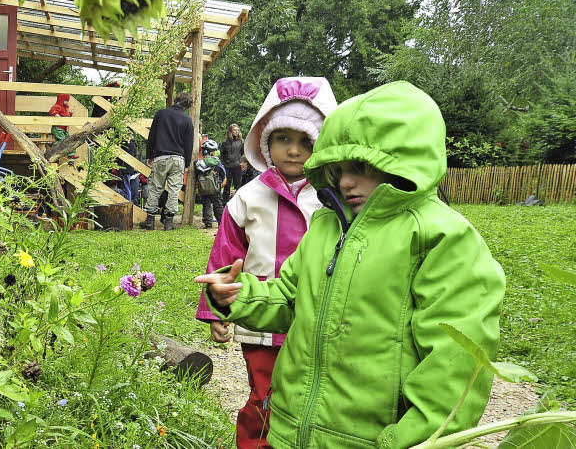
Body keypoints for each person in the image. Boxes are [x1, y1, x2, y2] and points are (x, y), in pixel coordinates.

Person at [196, 81, 505, 449]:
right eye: (338, 167)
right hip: (292, 433)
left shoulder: (442, 238)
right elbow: (289, 298)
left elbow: (456, 361)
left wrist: (408, 439)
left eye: (360, 165)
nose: (344, 181)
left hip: (372, 439)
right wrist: (236, 297)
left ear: (402, 159)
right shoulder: (327, 226)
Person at [195, 76, 336, 449]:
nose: (294, 150)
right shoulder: (247, 198)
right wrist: (216, 311)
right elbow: (225, 255)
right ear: (265, 143)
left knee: (313, 399)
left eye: (306, 141)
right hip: (261, 323)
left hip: (316, 319)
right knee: (264, 397)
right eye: (283, 138)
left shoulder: (332, 199)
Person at [140, 91, 195, 231]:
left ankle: (150, 220)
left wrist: (149, 155)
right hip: (178, 159)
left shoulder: (161, 114)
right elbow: (189, 145)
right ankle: (169, 222)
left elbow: (151, 136)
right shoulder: (187, 120)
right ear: (187, 105)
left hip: (160, 157)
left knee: (155, 188)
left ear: (176, 99)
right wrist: (187, 164)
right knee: (174, 190)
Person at [196, 139, 226, 228]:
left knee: (206, 204)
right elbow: (222, 172)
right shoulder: (216, 161)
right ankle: (220, 222)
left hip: (204, 187)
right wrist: (222, 180)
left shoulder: (198, 163)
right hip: (215, 186)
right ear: (212, 152)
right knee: (218, 204)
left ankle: (208, 222)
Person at [220, 124, 244, 202]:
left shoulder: (241, 141)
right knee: (226, 187)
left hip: (238, 167)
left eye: (238, 130)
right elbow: (222, 155)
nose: (237, 132)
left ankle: (238, 203)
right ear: (230, 131)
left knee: (238, 186)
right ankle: (225, 205)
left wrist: (241, 164)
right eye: (235, 130)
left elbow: (243, 154)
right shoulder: (225, 142)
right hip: (227, 167)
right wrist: (224, 164)